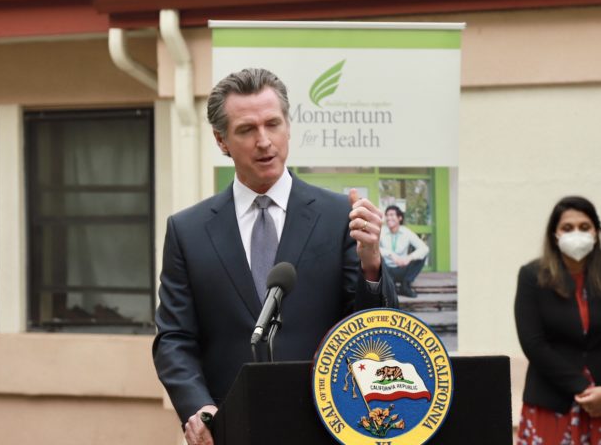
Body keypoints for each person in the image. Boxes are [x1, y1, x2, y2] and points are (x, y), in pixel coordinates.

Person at [153, 68, 397, 445]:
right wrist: (198, 407)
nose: (264, 141)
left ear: (288, 127)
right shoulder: (188, 231)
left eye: (273, 124)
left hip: (327, 424)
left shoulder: (338, 217)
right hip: (231, 429)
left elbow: (375, 327)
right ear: (221, 141)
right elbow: (174, 338)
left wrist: (371, 262)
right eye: (247, 130)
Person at [514, 196, 601, 445]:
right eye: (567, 228)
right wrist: (584, 389)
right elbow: (534, 344)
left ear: (596, 232)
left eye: (585, 227)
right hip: (552, 404)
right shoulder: (532, 277)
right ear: (554, 234)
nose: (577, 233)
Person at [379, 205, 429, 298]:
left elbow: (424, 248)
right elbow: (372, 248)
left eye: (392, 215)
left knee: (422, 255)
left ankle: (405, 285)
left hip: (402, 268)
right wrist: (390, 254)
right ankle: (390, 285)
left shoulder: (406, 232)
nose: (388, 218)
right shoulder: (381, 231)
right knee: (375, 257)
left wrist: (409, 258)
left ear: (400, 218)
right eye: (387, 215)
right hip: (386, 270)